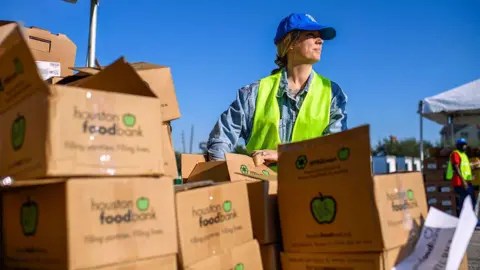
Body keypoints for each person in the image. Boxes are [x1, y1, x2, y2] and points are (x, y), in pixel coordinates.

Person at [206, 13, 348, 167]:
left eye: (320, 36)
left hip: (313, 190)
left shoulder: (332, 93)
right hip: (261, 189)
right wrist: (224, 177)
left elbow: (336, 148)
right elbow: (220, 139)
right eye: (311, 35)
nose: (320, 40)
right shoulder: (254, 93)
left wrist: (285, 155)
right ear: (290, 42)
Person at [446, 138, 475, 214]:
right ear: (458, 146)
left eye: (465, 145)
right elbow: (456, 168)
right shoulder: (455, 153)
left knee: (471, 200)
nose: (465, 146)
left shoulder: (464, 155)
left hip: (467, 182)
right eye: (463, 145)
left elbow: (465, 168)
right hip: (460, 182)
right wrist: (463, 181)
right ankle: (464, 219)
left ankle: (472, 219)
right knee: (465, 201)